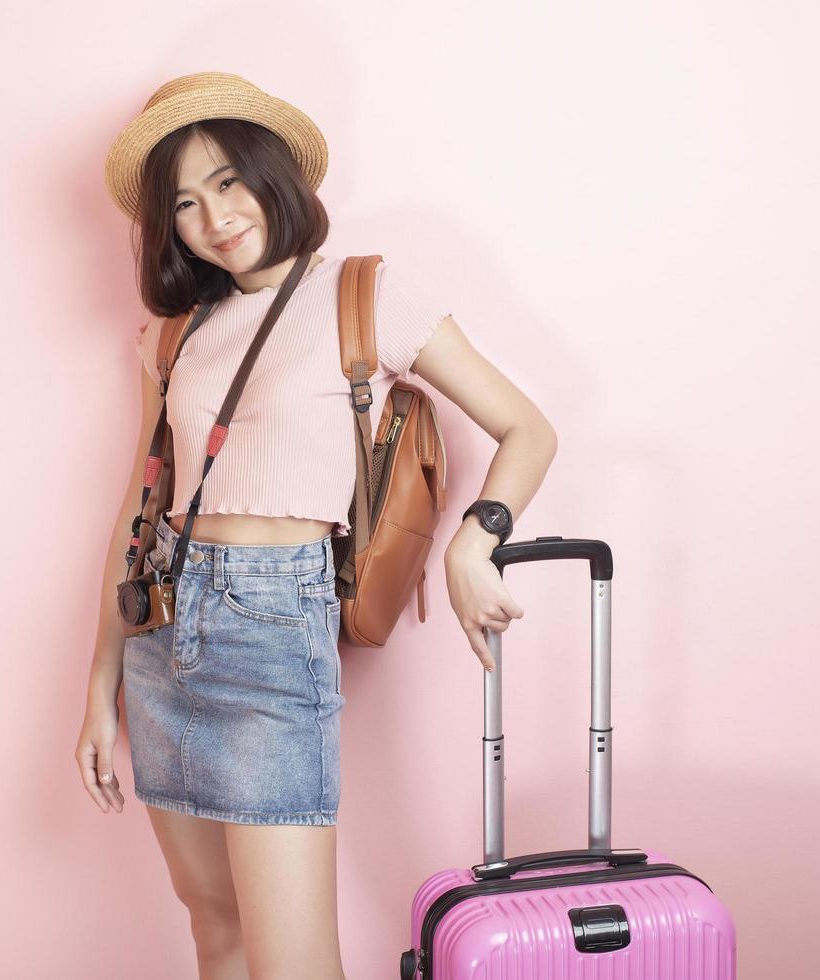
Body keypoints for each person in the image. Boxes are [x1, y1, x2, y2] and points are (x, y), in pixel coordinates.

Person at [77, 72, 558, 979]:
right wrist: (99, 685)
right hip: (165, 630)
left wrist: (475, 540)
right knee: (211, 925)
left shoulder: (365, 295)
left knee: (292, 962)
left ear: (272, 174)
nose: (213, 217)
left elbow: (528, 428)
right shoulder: (174, 338)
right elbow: (138, 512)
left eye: (227, 181)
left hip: (271, 631)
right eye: (183, 202)